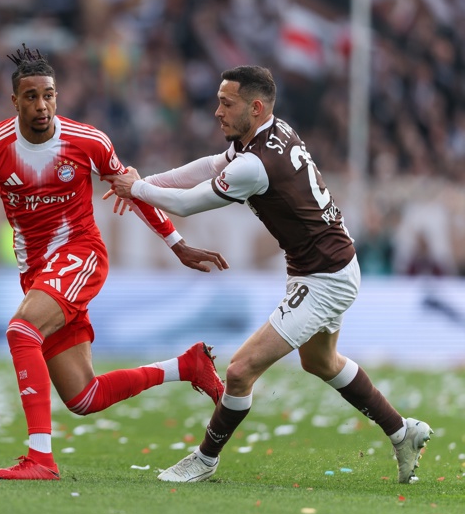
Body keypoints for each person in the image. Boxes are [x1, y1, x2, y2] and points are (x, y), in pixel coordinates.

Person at [0, 45, 229, 481]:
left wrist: (177, 244)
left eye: (49, 95)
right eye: (32, 96)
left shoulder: (88, 141)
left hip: (81, 255)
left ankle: (40, 459)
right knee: (84, 397)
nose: (42, 105)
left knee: (21, 330)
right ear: (15, 101)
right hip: (39, 274)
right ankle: (187, 366)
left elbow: (134, 190)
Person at [103, 65, 432, 484]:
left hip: (325, 277)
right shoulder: (270, 133)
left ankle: (204, 460)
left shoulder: (255, 165)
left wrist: (136, 188)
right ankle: (402, 432)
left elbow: (186, 204)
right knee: (321, 361)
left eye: (227, 104)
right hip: (329, 264)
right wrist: (145, 182)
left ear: (255, 108)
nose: (217, 112)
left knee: (240, 371)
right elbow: (209, 166)